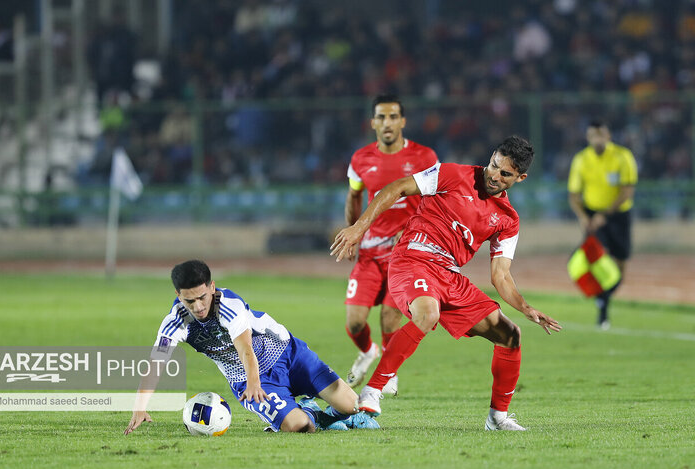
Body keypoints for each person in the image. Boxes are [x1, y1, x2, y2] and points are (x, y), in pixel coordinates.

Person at [331, 136, 561, 431]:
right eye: (493, 165)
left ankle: (498, 418)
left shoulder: (507, 219)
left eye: (505, 174)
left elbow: (500, 275)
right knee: (427, 313)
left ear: (520, 178)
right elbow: (398, 187)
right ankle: (372, 391)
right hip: (413, 257)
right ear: (490, 157)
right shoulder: (453, 174)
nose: (494, 175)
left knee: (510, 335)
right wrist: (358, 228)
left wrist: (526, 308)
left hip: (449, 275)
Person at [124, 260, 379, 434]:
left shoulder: (229, 305)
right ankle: (312, 413)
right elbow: (157, 361)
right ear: (179, 296)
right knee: (300, 427)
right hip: (249, 379)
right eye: (190, 301)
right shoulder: (175, 322)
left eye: (202, 297)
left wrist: (253, 382)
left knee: (351, 406)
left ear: (212, 287)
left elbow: (245, 348)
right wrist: (140, 405)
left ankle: (330, 414)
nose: (198, 306)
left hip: (289, 355)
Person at [342, 94, 439, 395]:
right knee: (354, 323)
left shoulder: (425, 158)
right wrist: (352, 233)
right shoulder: (361, 159)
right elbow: (354, 196)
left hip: (405, 254)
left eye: (393, 116)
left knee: (389, 315)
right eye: (381, 117)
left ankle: (389, 369)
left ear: (403, 121)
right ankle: (368, 351)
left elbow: (435, 202)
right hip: (370, 253)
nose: (387, 123)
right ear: (372, 122)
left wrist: (417, 230)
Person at [567, 120, 637, 330]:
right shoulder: (581, 159)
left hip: (618, 215)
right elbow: (573, 194)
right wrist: (583, 216)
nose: (597, 139)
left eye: (601, 135)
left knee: (620, 264)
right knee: (599, 258)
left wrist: (605, 214)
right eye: (593, 135)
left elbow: (627, 190)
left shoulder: (622, 156)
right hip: (592, 215)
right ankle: (602, 308)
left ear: (608, 136)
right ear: (588, 138)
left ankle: (603, 297)